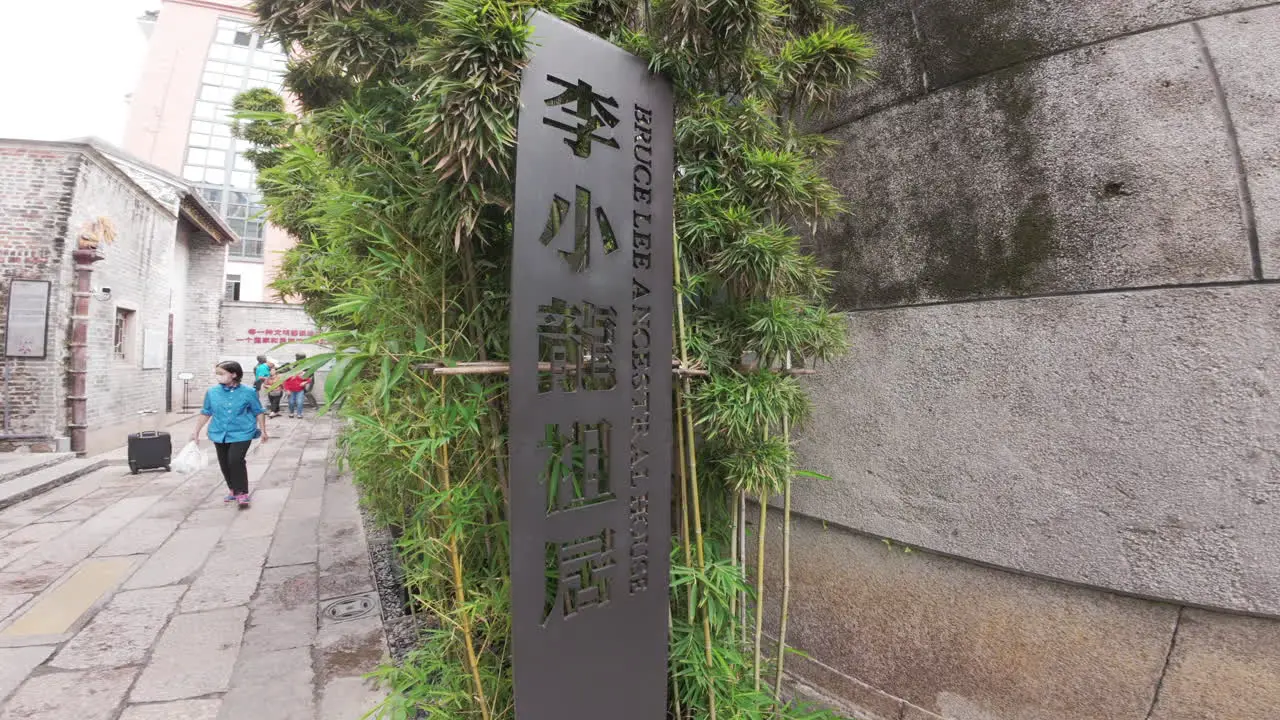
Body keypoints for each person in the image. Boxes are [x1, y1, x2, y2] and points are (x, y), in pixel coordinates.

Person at [191, 361, 269, 508]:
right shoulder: (212, 392)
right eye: (217, 373)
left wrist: (263, 430)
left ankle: (242, 493)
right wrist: (196, 431)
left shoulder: (249, 392)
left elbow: (258, 411)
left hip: (242, 432)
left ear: (234, 374)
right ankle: (232, 489)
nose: (218, 377)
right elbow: (206, 412)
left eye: (221, 373)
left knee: (235, 460)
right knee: (224, 462)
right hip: (219, 432)